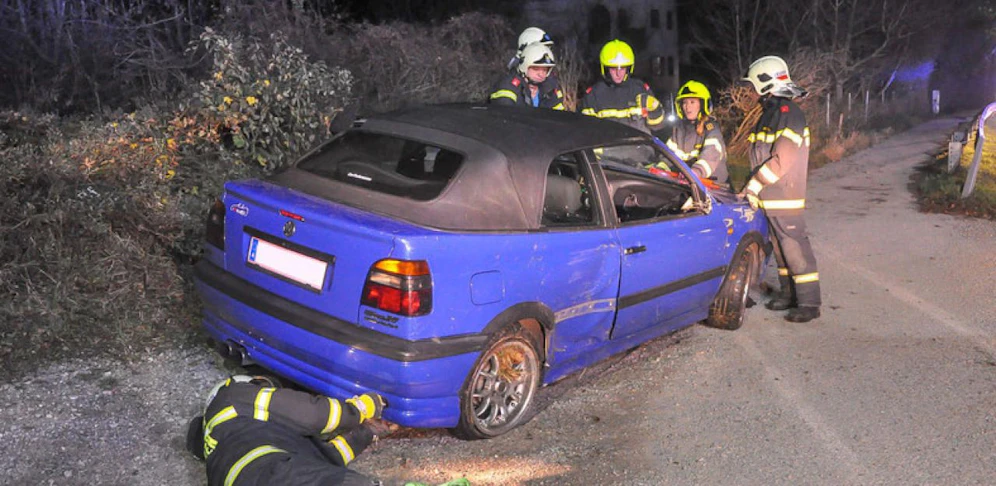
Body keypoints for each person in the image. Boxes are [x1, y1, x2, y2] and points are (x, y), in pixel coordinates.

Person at [186, 375, 387, 486]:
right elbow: (313, 414)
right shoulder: (233, 396)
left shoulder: (231, 439)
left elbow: (324, 457)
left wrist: (367, 432)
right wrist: (363, 408)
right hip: (272, 477)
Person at [739, 55, 821, 323]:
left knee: (795, 248)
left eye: (753, 86)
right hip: (771, 197)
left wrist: (753, 185)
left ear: (765, 83)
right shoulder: (770, 115)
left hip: (784, 195)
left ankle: (809, 302)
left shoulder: (789, 114)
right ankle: (789, 295)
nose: (751, 92)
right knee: (782, 248)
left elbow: (782, 159)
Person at [579, 39, 665, 134]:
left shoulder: (640, 89)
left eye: (622, 68)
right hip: (609, 147)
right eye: (613, 68)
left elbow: (657, 126)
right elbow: (588, 131)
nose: (618, 73)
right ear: (605, 68)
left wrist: (654, 109)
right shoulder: (594, 95)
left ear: (629, 68)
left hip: (639, 147)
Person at [665, 80, 730, 188]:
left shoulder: (711, 128)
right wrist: (660, 167)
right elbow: (668, 155)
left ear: (702, 104)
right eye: (684, 102)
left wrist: (695, 172)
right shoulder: (679, 129)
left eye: (692, 102)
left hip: (714, 188)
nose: (687, 107)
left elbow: (711, 155)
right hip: (690, 185)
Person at [489, 42, 564, 110]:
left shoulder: (550, 89)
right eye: (536, 69)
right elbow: (504, 117)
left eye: (545, 70)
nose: (541, 74)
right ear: (524, 66)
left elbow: (559, 118)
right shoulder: (508, 86)